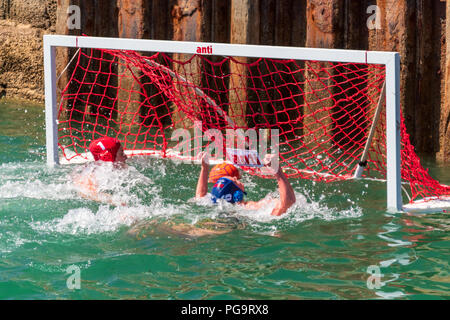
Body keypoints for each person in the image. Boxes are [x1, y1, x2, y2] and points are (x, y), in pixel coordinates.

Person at [195, 152, 296, 216]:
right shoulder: (248, 208)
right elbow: (288, 203)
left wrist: (204, 168)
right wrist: (277, 171)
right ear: (236, 194)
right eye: (234, 181)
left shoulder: (215, 204)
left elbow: (200, 195)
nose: (235, 177)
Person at [72, 137, 128, 206]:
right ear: (109, 157)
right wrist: (113, 200)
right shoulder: (93, 175)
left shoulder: (109, 172)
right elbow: (85, 192)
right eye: (121, 154)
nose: (126, 157)